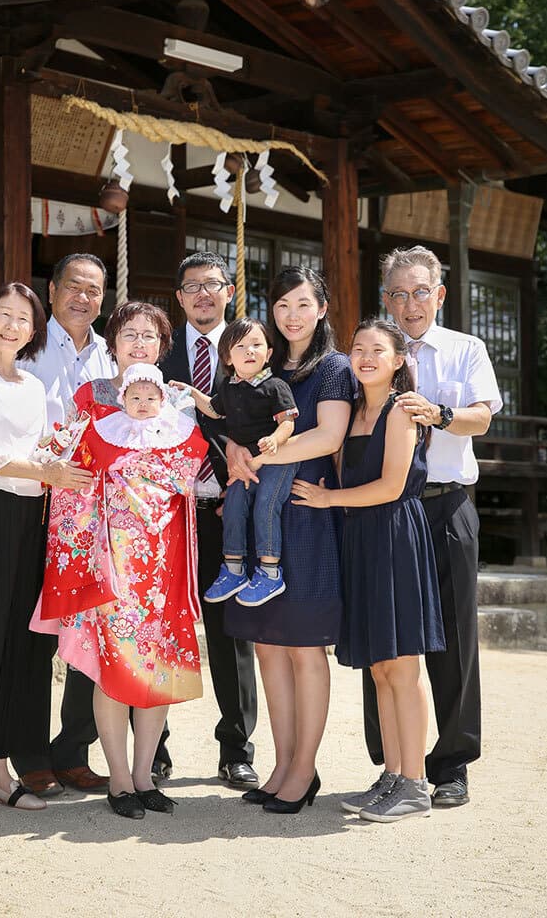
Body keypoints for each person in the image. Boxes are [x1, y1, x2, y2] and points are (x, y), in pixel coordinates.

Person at [0, 282, 94, 821]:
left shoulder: (33, 386)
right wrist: (45, 469)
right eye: (4, 315)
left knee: (17, 644)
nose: (13, 326)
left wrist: (58, 457)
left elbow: (36, 448)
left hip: (30, 517)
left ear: (34, 331)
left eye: (23, 319)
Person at [33, 364, 207, 819]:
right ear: (122, 397)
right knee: (113, 669)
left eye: (152, 396)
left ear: (163, 399)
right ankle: (118, 779)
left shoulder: (183, 432)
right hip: (115, 568)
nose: (144, 404)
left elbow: (187, 478)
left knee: (159, 670)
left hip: (165, 569)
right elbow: (69, 481)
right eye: (135, 396)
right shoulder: (99, 432)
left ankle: (144, 776)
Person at [361, 245, 502, 809]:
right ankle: (393, 763)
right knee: (384, 635)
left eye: (420, 292)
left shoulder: (466, 349)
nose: (410, 304)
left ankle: (452, 765)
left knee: (454, 637)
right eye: (398, 294)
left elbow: (483, 417)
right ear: (386, 299)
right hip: (385, 508)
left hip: (445, 505)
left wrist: (439, 415)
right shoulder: (374, 351)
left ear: (439, 295)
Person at [291, 319, 446, 822]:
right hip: (360, 536)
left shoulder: (402, 411)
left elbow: (391, 487)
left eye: (377, 349)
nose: (365, 356)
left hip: (394, 535)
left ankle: (416, 784)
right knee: (380, 667)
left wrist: (327, 500)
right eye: (358, 348)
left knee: (402, 664)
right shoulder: (354, 410)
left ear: (398, 360)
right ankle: (393, 775)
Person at [224, 265, 354, 813]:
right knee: (268, 644)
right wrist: (234, 449)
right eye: (281, 306)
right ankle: (281, 765)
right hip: (262, 515)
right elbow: (234, 422)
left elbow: (328, 436)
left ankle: (304, 769)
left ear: (321, 309)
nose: (291, 316)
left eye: (303, 304)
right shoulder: (262, 365)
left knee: (304, 646)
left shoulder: (335, 368)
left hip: (305, 510)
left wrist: (260, 456)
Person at [11, 252, 117, 798]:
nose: (84, 298)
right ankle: (29, 755)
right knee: (34, 633)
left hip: (91, 514)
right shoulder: (26, 346)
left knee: (88, 632)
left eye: (94, 290)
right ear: (51, 291)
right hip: (34, 501)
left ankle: (73, 750)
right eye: (74, 286)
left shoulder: (110, 356)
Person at [160, 252, 259, 790]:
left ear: (229, 292)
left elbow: (267, 424)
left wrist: (241, 489)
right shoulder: (157, 350)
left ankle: (236, 748)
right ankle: (153, 747)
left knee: (230, 632)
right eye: (192, 285)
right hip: (164, 514)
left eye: (212, 284)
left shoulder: (248, 350)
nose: (203, 294)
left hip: (226, 510)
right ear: (179, 297)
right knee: (157, 628)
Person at [174, 316, 299, 607]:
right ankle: (233, 568)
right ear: (228, 357)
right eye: (240, 346)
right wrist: (189, 391)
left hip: (277, 460)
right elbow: (213, 409)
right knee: (232, 504)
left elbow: (288, 422)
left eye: (256, 344)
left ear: (268, 353)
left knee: (266, 504)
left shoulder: (275, 386)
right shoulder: (229, 388)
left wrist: (275, 440)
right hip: (246, 464)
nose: (249, 351)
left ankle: (269, 572)